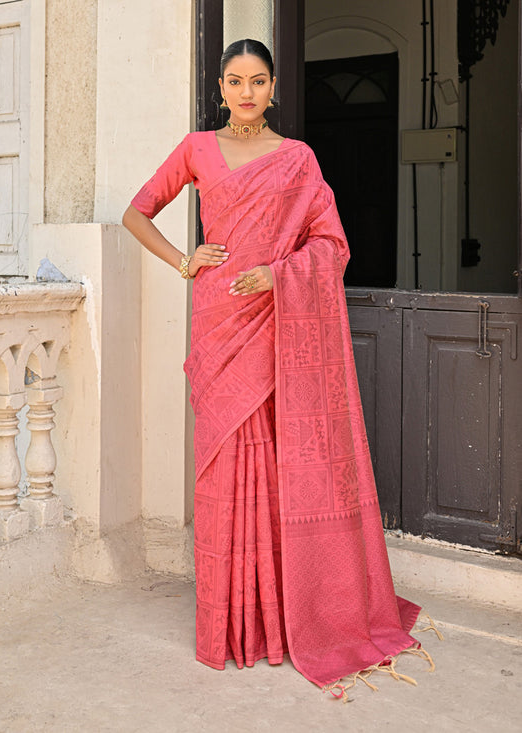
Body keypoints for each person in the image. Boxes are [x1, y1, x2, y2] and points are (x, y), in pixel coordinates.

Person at [123, 39, 424, 693]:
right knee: (225, 464)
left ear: (274, 85)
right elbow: (136, 212)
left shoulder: (296, 159)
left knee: (277, 462)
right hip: (219, 324)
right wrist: (183, 259)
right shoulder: (196, 149)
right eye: (234, 81)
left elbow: (330, 243)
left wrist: (278, 274)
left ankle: (279, 622)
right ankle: (228, 625)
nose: (246, 93)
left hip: (274, 323)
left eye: (258, 81)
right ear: (221, 88)